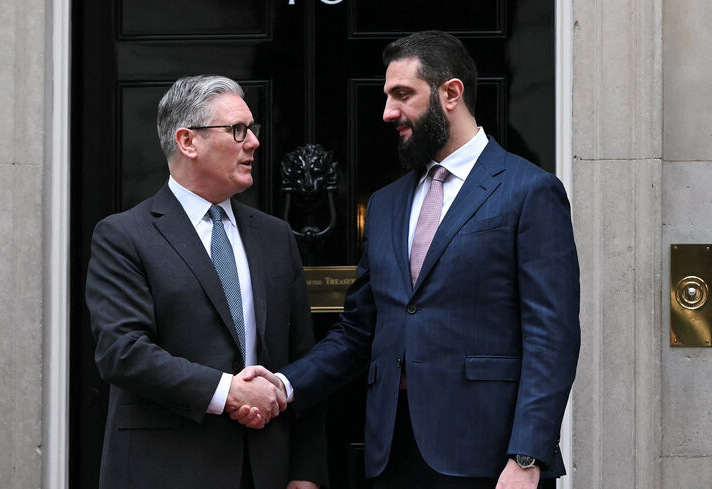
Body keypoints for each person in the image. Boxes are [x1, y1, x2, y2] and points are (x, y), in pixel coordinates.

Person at [237, 30, 581, 489]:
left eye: (403, 95)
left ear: (451, 93)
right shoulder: (386, 204)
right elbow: (359, 329)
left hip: (491, 458)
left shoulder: (529, 191)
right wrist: (284, 385)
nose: (387, 113)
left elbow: (552, 336)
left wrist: (527, 456)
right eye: (386, 96)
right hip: (392, 452)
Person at [86, 75, 327, 489]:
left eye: (252, 129)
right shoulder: (125, 236)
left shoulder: (274, 236)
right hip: (166, 469)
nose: (252, 142)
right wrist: (226, 391)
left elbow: (302, 357)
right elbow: (122, 352)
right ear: (187, 141)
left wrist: (306, 473)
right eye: (237, 130)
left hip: (266, 469)